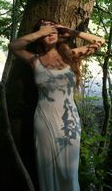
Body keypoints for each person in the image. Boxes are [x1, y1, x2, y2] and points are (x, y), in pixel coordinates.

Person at [9, 19, 105, 191]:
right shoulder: (34, 60)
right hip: (44, 121)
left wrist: (71, 31)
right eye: (45, 32)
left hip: (70, 122)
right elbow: (14, 46)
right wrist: (41, 32)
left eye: (53, 30)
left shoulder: (71, 55)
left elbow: (100, 41)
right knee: (47, 169)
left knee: (69, 173)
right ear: (40, 38)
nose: (49, 33)